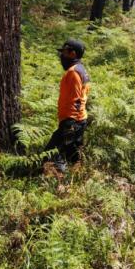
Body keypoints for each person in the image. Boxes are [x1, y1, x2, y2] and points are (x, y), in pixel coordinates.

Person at [45, 39, 91, 172]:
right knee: (73, 156)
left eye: (64, 53)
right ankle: (76, 181)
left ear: (73, 54)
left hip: (72, 121)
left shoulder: (73, 73)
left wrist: (69, 125)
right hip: (79, 120)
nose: (61, 57)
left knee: (50, 153)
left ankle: (59, 183)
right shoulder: (81, 70)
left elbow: (76, 100)